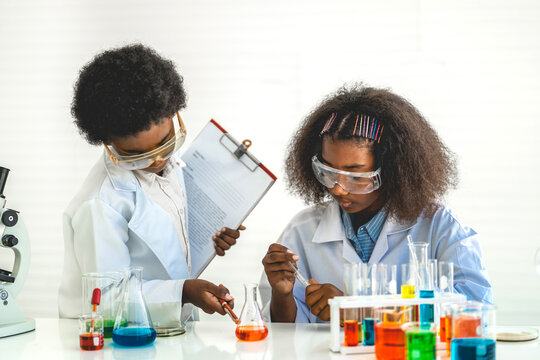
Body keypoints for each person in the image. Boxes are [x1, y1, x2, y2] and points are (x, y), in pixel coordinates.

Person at [260, 84, 493, 323]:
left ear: (392, 170)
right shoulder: (303, 229)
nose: (338, 188)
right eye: (328, 172)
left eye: (356, 176)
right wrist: (282, 295)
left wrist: (356, 311)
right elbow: (283, 336)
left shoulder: (439, 227)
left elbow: (477, 310)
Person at [58, 44, 244, 324]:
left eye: (166, 141)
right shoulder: (99, 204)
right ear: (107, 142)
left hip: (166, 330)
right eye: (138, 155)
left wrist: (210, 237)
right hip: (114, 339)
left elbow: (166, 235)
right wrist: (183, 292)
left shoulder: (173, 162)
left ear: (175, 113)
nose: (157, 160)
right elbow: (105, 298)